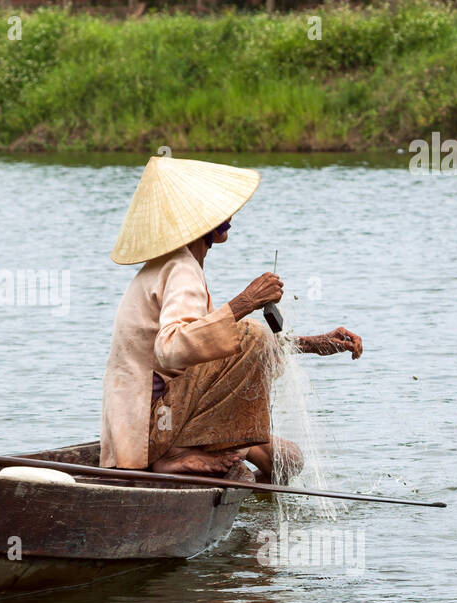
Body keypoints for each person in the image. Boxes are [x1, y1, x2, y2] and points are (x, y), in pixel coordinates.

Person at [100, 157, 362, 483]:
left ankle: (255, 517)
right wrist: (246, 302)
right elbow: (171, 348)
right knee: (251, 332)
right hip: (157, 428)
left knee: (289, 460)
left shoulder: (179, 265)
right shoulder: (179, 269)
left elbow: (216, 347)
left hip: (180, 416)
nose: (229, 216)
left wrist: (312, 344)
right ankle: (176, 457)